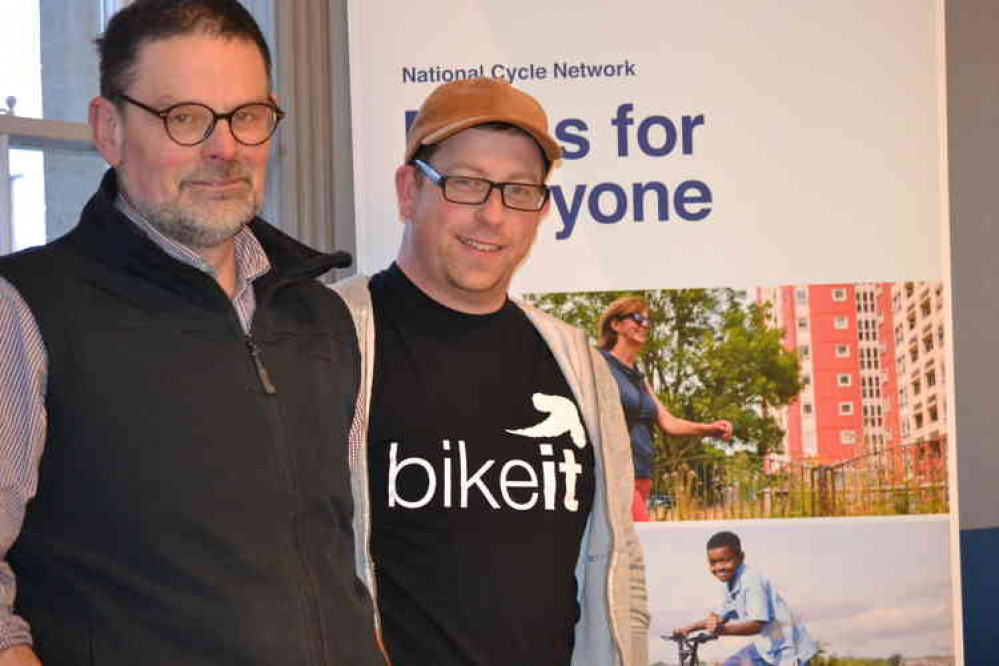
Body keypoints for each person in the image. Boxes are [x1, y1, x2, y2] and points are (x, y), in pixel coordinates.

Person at [0, 1, 385, 664]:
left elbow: (345, 569)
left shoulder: (320, 320)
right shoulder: (27, 311)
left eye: (248, 116)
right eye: (185, 118)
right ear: (109, 129)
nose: (225, 147)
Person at [333, 76, 650, 666]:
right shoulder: (330, 339)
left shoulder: (578, 362)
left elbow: (619, 566)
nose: (493, 215)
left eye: (519, 190)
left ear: (542, 210)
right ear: (409, 192)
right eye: (466, 184)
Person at [597, 296, 733, 521]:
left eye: (647, 321)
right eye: (637, 317)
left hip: (642, 473)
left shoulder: (640, 378)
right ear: (616, 325)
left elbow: (669, 422)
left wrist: (709, 429)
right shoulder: (599, 364)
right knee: (642, 538)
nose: (644, 324)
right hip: (615, 472)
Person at [674, 531, 818, 666]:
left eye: (725, 561)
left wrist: (722, 630)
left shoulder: (751, 579)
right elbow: (721, 617)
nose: (719, 568)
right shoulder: (728, 582)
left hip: (788, 650)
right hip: (765, 647)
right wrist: (689, 628)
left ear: (740, 558)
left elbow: (757, 625)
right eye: (713, 562)